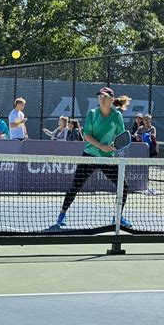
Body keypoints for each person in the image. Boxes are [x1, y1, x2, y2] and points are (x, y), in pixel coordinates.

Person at [54, 87, 132, 228]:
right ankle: (61, 215)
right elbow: (87, 135)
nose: (101, 99)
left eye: (104, 96)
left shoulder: (117, 116)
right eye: (100, 96)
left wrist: (113, 147)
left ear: (111, 99)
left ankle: (117, 217)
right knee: (75, 186)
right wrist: (101, 146)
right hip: (89, 156)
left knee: (124, 186)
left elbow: (121, 137)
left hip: (107, 158)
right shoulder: (92, 113)